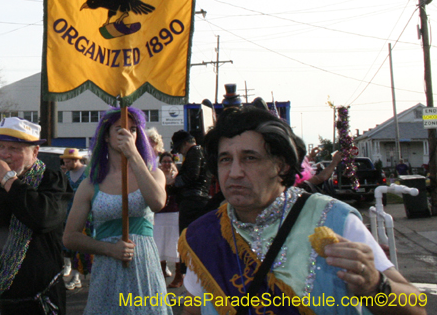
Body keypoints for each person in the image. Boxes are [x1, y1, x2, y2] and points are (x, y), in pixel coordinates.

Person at [178, 105, 425, 315]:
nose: (234, 172)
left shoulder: (333, 219)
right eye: (225, 159)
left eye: (250, 158)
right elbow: (192, 309)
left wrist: (374, 285)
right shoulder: (203, 235)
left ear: (282, 165)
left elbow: (416, 307)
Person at [63, 107, 170, 315]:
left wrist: (134, 156)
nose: (128, 134)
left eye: (133, 129)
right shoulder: (90, 184)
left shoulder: (154, 174)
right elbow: (70, 237)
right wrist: (109, 249)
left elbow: (157, 202)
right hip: (107, 269)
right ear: (106, 137)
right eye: (120, 129)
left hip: (144, 269)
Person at [0, 117, 72, 315]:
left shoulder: (52, 181)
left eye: (14, 149)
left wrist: (8, 179)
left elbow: (42, 218)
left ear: (34, 152)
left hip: (38, 303)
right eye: (1, 147)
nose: (5, 155)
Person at [169, 129, 210, 287]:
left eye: (180, 148)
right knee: (193, 240)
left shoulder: (195, 152)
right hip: (197, 200)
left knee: (187, 240)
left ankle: (189, 276)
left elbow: (191, 176)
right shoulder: (200, 152)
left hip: (192, 201)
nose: (180, 152)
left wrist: (174, 181)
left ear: (185, 144)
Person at [59, 147, 91, 291]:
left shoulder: (88, 172)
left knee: (84, 244)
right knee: (70, 243)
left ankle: (78, 275)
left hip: (86, 213)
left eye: (68, 161)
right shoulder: (66, 175)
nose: (65, 164)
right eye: (64, 161)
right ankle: (72, 270)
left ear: (75, 160)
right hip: (69, 212)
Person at [155, 151, 182, 287]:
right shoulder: (156, 176)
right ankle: (161, 274)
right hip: (159, 214)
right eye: (164, 161)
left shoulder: (177, 176)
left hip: (174, 213)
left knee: (174, 244)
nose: (166, 164)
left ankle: (178, 276)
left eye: (169, 161)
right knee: (160, 244)